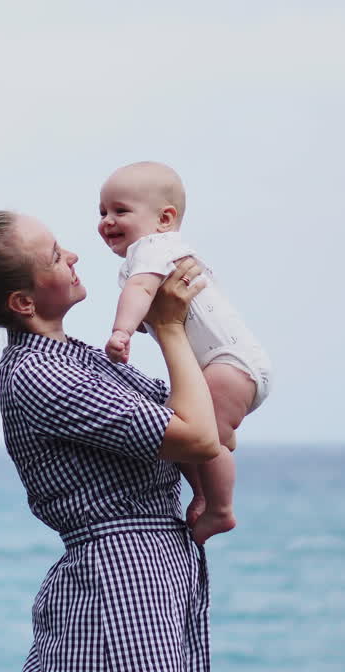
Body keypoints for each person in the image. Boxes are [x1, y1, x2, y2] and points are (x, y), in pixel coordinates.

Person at [0, 211, 221, 670]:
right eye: (56, 256)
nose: (73, 256)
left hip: (148, 574)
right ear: (22, 301)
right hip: (122, 584)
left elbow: (196, 415)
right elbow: (198, 437)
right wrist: (170, 326)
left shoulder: (81, 359)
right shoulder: (40, 375)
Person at [98, 161, 272, 544]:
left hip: (228, 364)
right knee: (186, 436)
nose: (107, 220)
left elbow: (141, 293)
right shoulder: (161, 253)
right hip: (229, 365)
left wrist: (121, 332)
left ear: (164, 218)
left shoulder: (152, 248)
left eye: (120, 211)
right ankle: (206, 495)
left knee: (200, 438)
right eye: (103, 212)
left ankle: (220, 509)